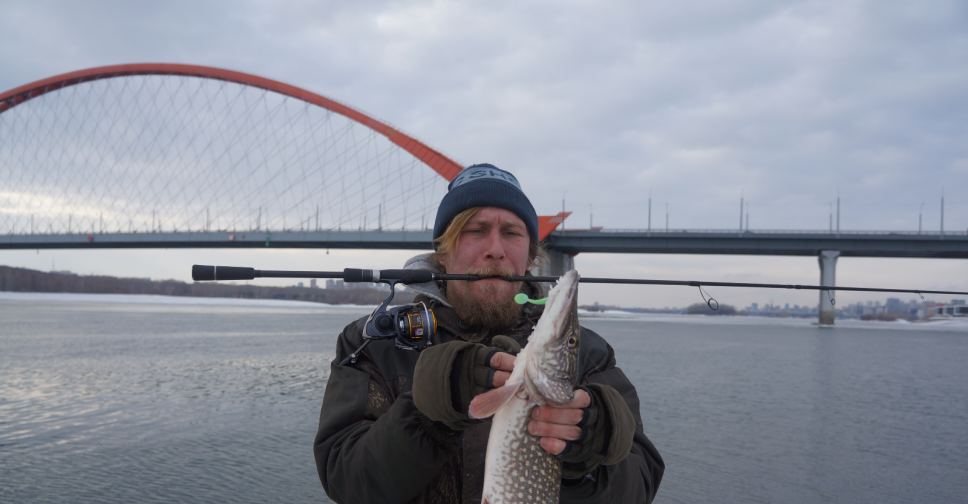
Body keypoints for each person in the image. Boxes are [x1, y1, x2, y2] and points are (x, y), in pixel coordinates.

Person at [314, 164, 664, 503]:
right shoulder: (375, 343)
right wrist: (427, 412)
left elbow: (639, 486)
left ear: (529, 255)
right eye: (475, 230)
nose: (495, 248)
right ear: (443, 254)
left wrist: (593, 449)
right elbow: (347, 482)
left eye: (511, 233)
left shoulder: (586, 352)